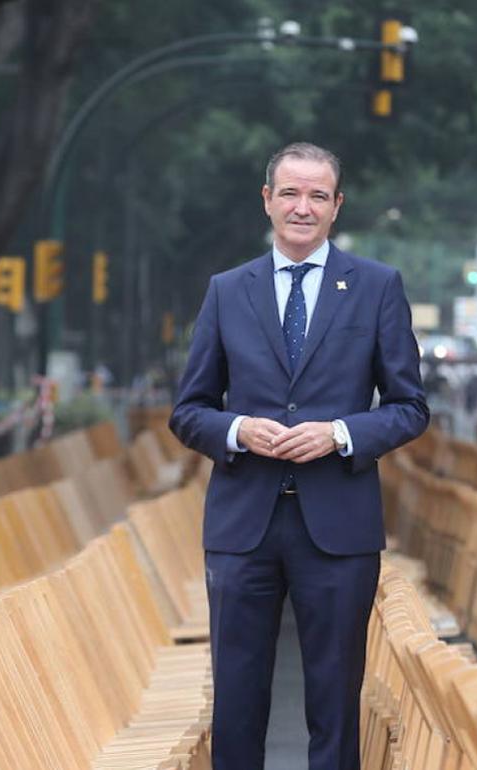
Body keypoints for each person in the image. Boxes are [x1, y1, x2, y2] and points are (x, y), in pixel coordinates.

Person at [169, 142, 429, 770]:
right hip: (242, 524)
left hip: (338, 525)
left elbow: (409, 406)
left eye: (317, 195)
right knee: (236, 699)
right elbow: (189, 410)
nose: (302, 207)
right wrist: (239, 431)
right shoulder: (228, 291)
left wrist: (340, 433)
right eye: (290, 193)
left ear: (337, 206)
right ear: (267, 200)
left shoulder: (376, 287)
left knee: (336, 700)